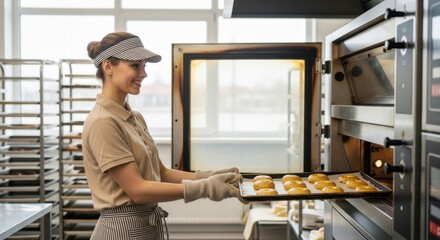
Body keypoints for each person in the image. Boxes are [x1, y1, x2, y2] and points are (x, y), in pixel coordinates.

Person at [82, 32, 246, 240]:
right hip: (121, 231)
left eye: (144, 66)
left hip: (145, 226)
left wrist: (209, 176)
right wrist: (205, 188)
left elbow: (162, 173)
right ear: (108, 67)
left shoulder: (134, 118)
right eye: (135, 66)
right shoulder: (102, 122)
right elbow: (138, 190)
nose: (144, 73)